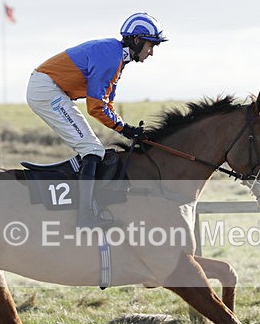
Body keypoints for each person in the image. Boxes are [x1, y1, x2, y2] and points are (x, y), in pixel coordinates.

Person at [26, 12, 168, 228]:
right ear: (137, 40)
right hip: (46, 90)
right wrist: (125, 129)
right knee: (92, 149)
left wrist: (125, 129)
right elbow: (95, 107)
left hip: (51, 89)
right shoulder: (111, 57)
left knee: (92, 149)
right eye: (151, 45)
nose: (151, 53)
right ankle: (85, 217)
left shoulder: (117, 58)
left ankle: (85, 205)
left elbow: (106, 103)